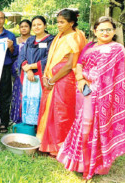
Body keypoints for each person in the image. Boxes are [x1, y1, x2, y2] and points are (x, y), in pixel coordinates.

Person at [57, 16, 125, 180]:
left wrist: (100, 86)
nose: (105, 32)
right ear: (95, 31)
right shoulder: (89, 47)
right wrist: (81, 79)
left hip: (106, 97)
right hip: (86, 93)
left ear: (114, 31)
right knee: (84, 127)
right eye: (102, 29)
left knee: (96, 127)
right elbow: (78, 65)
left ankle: (98, 165)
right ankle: (80, 163)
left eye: (109, 29)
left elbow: (121, 77)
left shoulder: (118, 50)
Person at [37, 9, 87, 156]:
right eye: (58, 22)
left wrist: (52, 79)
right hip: (53, 80)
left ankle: (60, 146)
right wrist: (47, 77)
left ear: (71, 23)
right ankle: (48, 143)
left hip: (64, 81)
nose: (58, 25)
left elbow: (69, 64)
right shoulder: (60, 36)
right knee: (49, 111)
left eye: (62, 22)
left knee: (61, 114)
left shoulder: (74, 37)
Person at [17, 16, 54, 125]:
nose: (36, 27)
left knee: (41, 102)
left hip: (42, 76)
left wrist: (31, 67)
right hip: (28, 77)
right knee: (29, 102)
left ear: (45, 25)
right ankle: (29, 125)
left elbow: (49, 58)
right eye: (34, 25)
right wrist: (27, 70)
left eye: (39, 24)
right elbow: (22, 56)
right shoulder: (30, 40)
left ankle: (41, 127)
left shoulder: (51, 40)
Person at [10, 19, 32, 123]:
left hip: (30, 69)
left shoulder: (33, 39)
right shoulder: (16, 39)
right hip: (17, 69)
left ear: (30, 28)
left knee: (28, 92)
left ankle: (28, 116)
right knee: (18, 91)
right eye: (21, 26)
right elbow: (13, 54)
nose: (23, 28)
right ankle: (17, 116)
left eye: (26, 26)